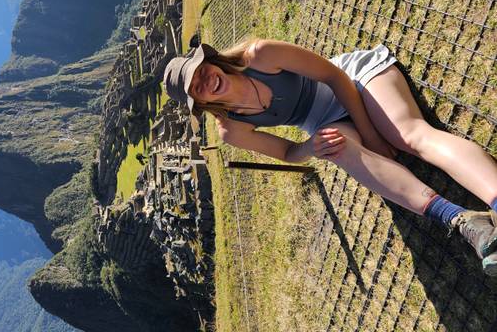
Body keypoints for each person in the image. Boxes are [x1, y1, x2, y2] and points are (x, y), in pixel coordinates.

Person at [163, 38, 497, 276]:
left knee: (409, 135)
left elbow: (332, 76)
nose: (205, 82)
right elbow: (287, 152)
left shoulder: (261, 55)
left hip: (356, 79)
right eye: (196, 89)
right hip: (325, 122)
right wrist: (314, 145)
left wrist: (369, 133)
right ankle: (465, 222)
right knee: (338, 150)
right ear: (201, 103)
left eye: (200, 71)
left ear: (210, 61)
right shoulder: (232, 129)